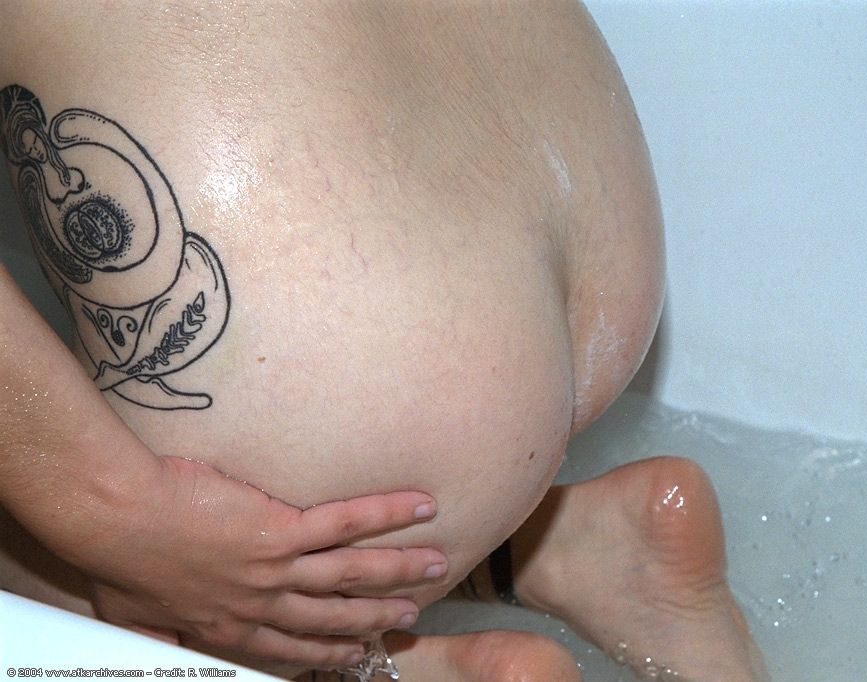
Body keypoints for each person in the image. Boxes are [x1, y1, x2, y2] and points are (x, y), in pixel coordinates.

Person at [0, 1, 765, 680]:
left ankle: (306, 653)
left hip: (345, 365)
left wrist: (122, 517)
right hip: (580, 199)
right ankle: (553, 547)